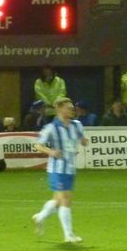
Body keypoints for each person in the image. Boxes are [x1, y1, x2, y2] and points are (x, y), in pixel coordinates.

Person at [31, 97, 88, 243]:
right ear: (59, 109)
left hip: (70, 168)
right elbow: (38, 145)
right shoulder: (51, 127)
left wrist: (83, 141)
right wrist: (51, 152)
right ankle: (68, 235)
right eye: (68, 108)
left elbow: (82, 139)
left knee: (57, 200)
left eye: (72, 108)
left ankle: (40, 217)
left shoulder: (77, 125)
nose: (71, 110)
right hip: (56, 168)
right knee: (66, 200)